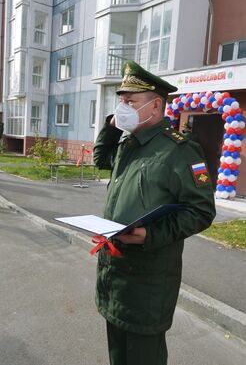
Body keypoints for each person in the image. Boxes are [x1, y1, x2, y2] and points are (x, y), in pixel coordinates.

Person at [93, 60, 216, 365]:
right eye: (120, 100)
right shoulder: (128, 143)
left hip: (148, 280)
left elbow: (201, 210)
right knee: (117, 353)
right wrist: (113, 125)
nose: (122, 107)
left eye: (130, 101)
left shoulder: (179, 150)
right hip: (114, 272)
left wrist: (151, 234)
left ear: (156, 106)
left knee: (143, 356)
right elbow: (100, 159)